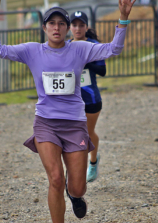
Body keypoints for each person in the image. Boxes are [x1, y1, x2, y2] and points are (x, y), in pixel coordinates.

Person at [0, 0, 136, 223]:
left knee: (78, 188)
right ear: (44, 28)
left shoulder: (80, 49)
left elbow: (114, 49)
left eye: (61, 24)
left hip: (75, 124)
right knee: (55, 178)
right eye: (52, 23)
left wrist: (123, 18)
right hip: (46, 123)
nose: (57, 28)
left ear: (67, 29)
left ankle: (75, 195)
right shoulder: (32, 50)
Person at [68, 11, 105, 183]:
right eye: (74, 25)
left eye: (81, 25)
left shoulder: (93, 45)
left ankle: (93, 161)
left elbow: (102, 71)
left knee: (88, 133)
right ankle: (74, 170)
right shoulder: (65, 45)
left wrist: (85, 61)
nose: (77, 28)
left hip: (90, 99)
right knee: (74, 134)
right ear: (70, 27)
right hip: (70, 100)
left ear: (86, 27)